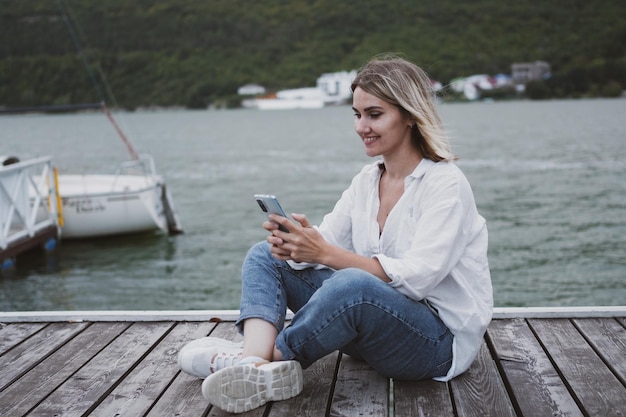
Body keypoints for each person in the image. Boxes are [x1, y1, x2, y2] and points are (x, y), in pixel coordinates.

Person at [178, 55, 493, 414]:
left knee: (353, 285)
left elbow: (418, 278)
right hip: (371, 334)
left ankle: (274, 358)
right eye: (357, 115)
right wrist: (298, 243)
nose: (362, 126)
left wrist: (323, 253)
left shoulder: (445, 184)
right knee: (265, 255)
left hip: (434, 346)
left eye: (374, 114)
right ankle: (252, 362)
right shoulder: (367, 180)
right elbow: (327, 242)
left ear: (408, 115)